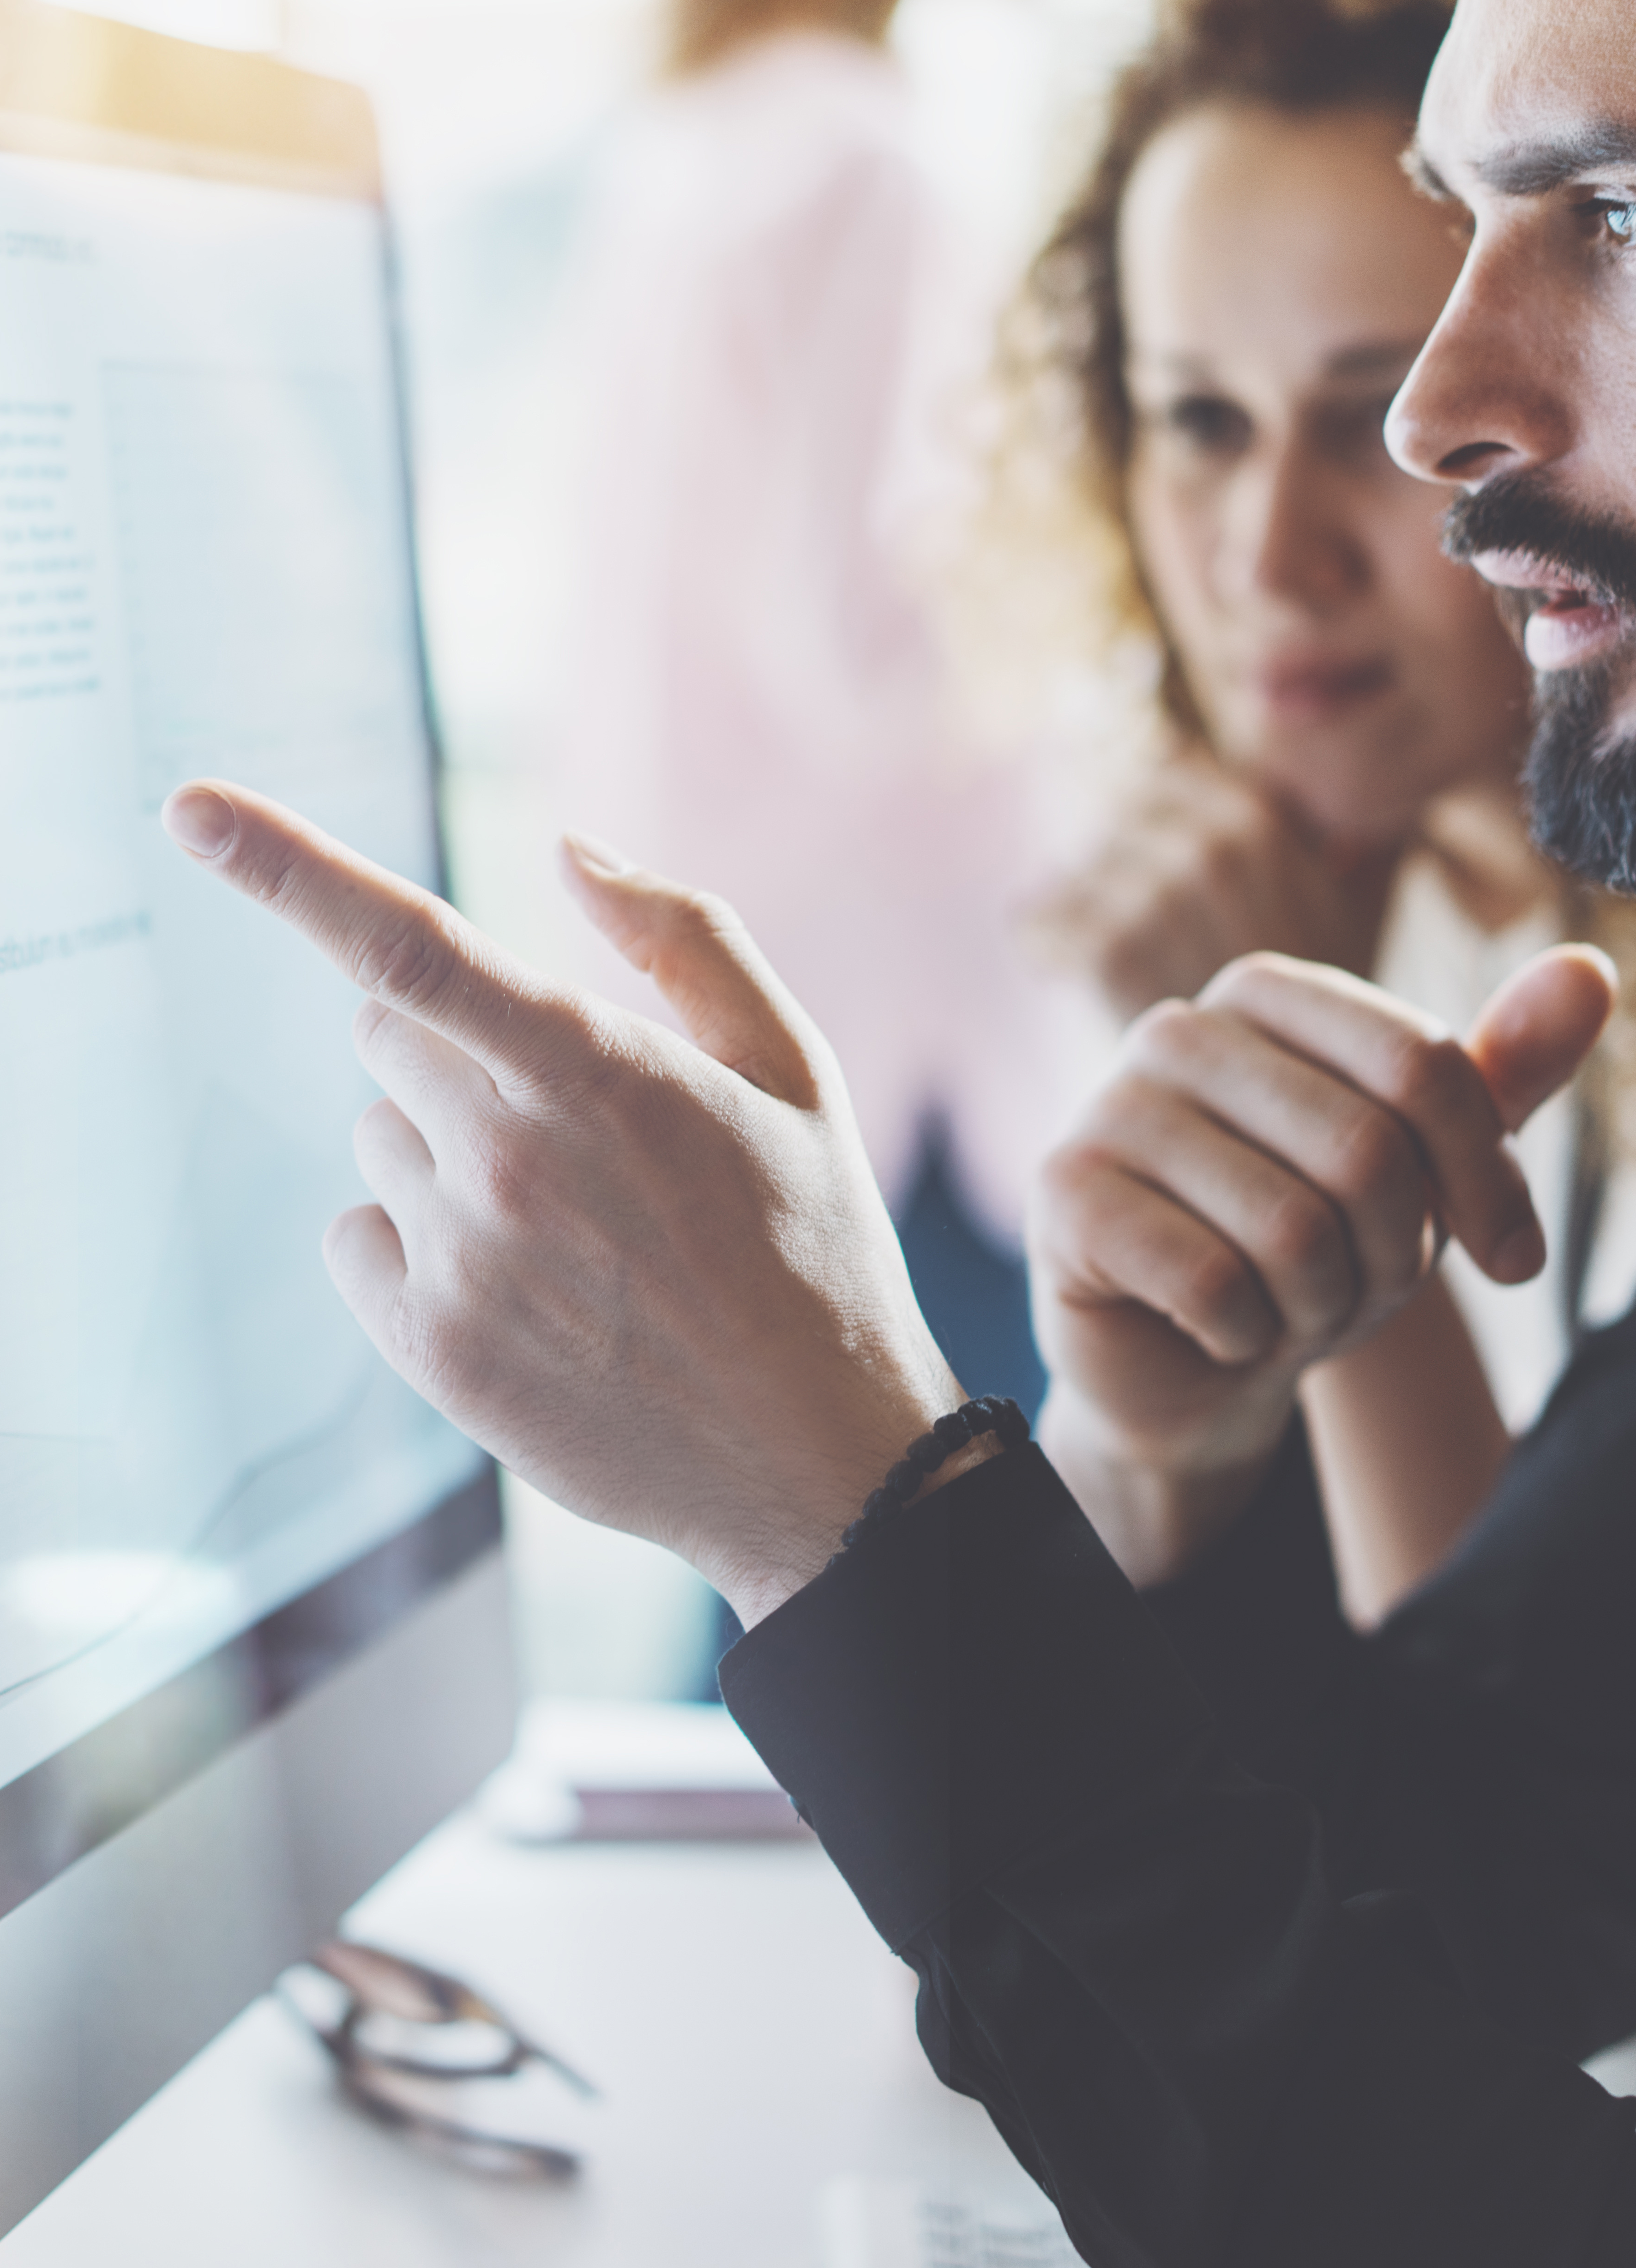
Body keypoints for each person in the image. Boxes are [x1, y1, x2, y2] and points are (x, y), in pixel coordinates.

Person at [157, 0, 1636, 2259]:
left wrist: (850, 1518)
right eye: (1470, 224)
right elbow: (1462, 1886)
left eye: (1626, 218)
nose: (1436, 415)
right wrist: (1176, 1470)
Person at [998, 0, 1636, 1624]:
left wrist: (1331, 1185)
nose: (1270, 562)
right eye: (1200, 422)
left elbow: (1528, 1777)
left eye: (1367, 416)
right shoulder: (1299, 892)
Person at [546, 0, 1054, 1407]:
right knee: (944, 1534)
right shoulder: (865, 160)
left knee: (776, 1517)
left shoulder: (669, 151)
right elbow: (874, 629)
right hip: (885, 1025)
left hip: (707, 986)